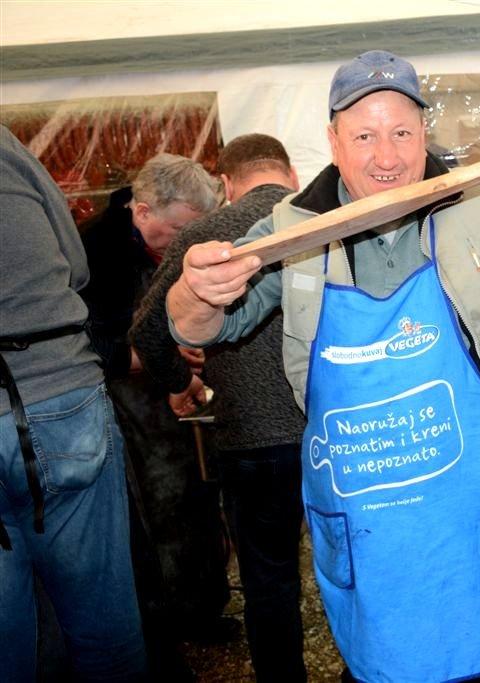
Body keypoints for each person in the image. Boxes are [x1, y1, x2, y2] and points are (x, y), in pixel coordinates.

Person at [167, 50, 480, 682]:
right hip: (370, 514)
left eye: (402, 132)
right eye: (365, 135)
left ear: (424, 133)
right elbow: (199, 323)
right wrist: (194, 289)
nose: (388, 155)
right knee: (384, 664)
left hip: (476, 504)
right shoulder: (291, 230)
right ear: (333, 140)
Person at [130, 134, 308, 681]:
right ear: (291, 176)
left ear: (225, 184)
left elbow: (147, 331)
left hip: (251, 435)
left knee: (267, 576)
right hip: (335, 428)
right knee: (356, 565)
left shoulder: (205, 236)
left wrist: (180, 383)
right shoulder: (324, 220)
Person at [0, 125, 147, 681]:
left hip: (43, 398)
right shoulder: (5, 148)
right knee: (103, 625)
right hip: (58, 392)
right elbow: (75, 264)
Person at [77, 153, 233, 670]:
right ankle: (165, 621)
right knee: (157, 507)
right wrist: (152, 356)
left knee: (198, 497)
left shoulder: (164, 234)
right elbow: (89, 340)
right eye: (180, 231)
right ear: (141, 211)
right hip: (127, 400)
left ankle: (205, 605)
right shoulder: (92, 249)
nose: (186, 242)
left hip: (177, 388)